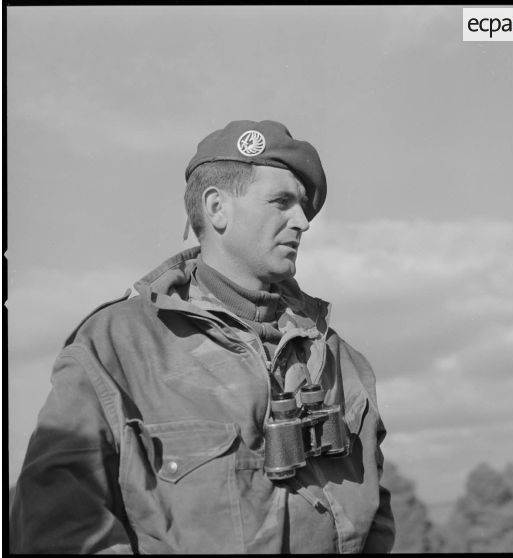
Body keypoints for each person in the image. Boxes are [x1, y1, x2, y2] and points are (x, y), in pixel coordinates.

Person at [10, 120, 395, 554]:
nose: (303, 221)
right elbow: (59, 529)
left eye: (303, 206)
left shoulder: (339, 360)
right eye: (282, 201)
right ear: (216, 208)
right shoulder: (116, 347)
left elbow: (375, 525)